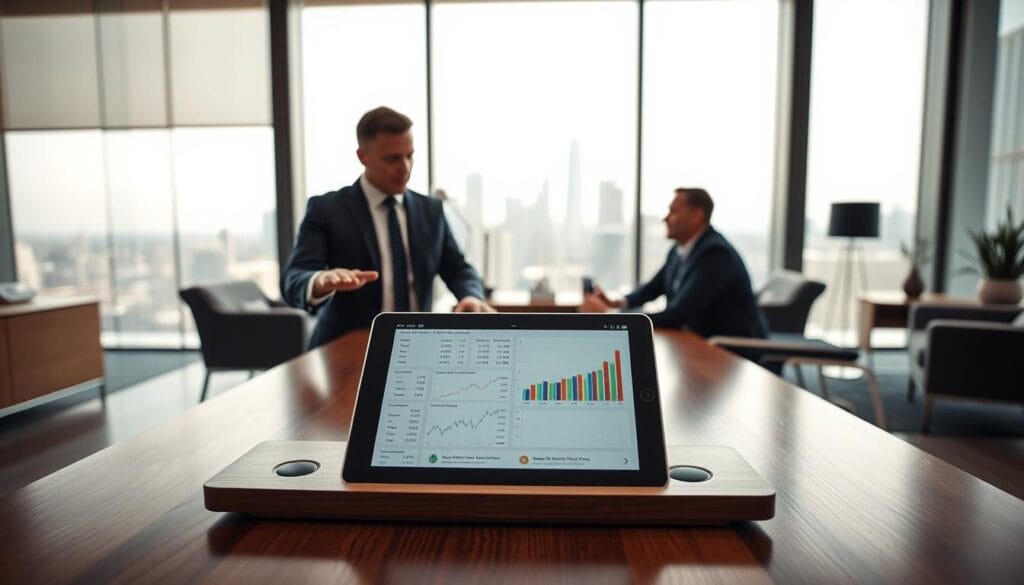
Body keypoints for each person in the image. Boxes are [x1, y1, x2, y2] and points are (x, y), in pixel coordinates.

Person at [281, 106, 493, 348]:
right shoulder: (326, 210)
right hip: (346, 347)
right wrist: (320, 281)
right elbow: (294, 278)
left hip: (417, 347)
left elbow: (457, 269)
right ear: (363, 157)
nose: (405, 168)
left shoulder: (431, 211)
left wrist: (470, 296)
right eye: (392, 158)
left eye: (409, 155)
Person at [581, 187, 768, 339]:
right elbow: (653, 288)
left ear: (696, 216)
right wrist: (618, 302)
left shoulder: (716, 255)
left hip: (732, 352)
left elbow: (677, 314)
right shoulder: (680, 250)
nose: (665, 218)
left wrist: (610, 316)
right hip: (699, 343)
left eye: (673, 211)